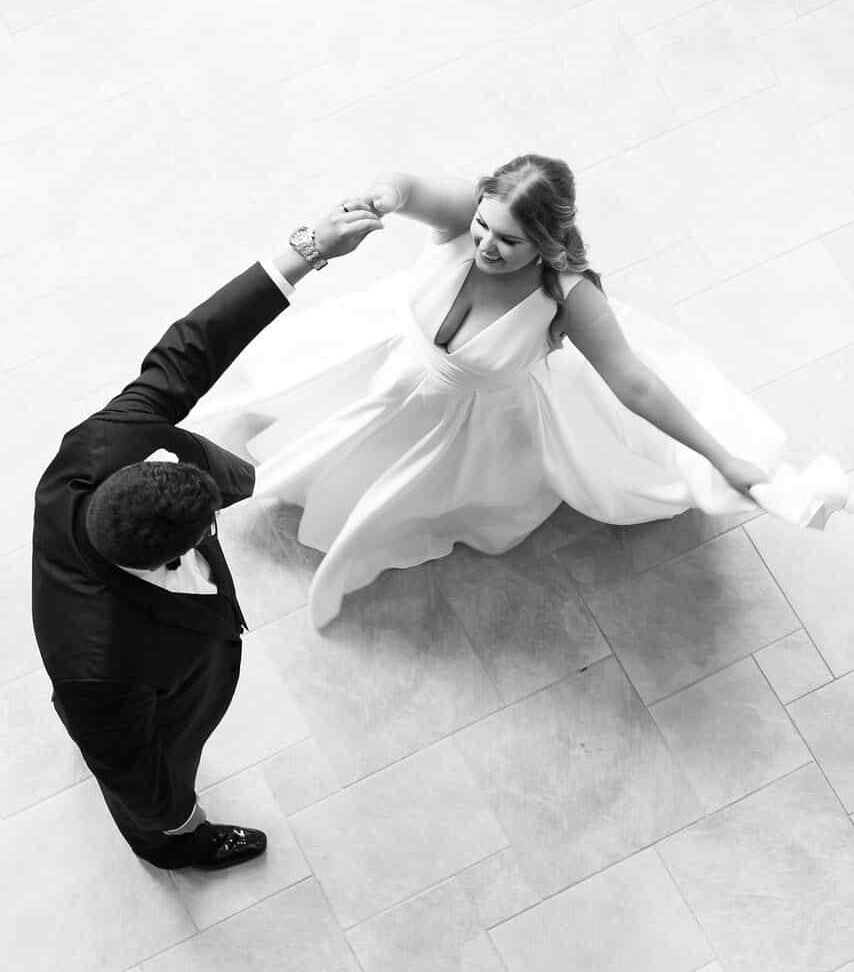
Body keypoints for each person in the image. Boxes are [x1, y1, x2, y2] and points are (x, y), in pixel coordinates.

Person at [188, 154, 853, 631]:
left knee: (391, 497)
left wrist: (721, 455)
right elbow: (408, 183)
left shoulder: (568, 295)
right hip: (374, 366)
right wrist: (385, 196)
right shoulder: (465, 221)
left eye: (508, 240)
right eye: (481, 227)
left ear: (545, 242)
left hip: (455, 424)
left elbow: (636, 383)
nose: (485, 245)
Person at [31, 200, 384, 870]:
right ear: (175, 552)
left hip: (124, 680)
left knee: (113, 737)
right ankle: (173, 851)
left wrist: (307, 250)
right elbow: (135, 778)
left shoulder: (101, 446)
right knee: (146, 768)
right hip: (145, 701)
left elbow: (189, 349)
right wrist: (173, 820)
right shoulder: (99, 667)